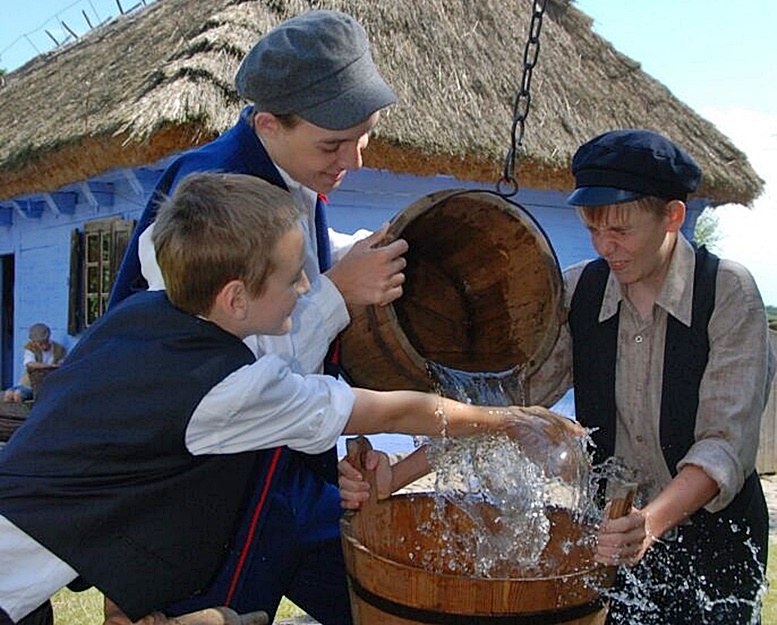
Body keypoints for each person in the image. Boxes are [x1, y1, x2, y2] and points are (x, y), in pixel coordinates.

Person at [0, 173, 546, 625]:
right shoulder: (231, 387)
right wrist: (506, 420)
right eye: (293, 279)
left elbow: (113, 470)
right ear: (236, 298)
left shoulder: (142, 313)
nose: (308, 289)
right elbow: (396, 410)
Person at [340, 129, 776, 625]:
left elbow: (723, 444)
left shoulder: (727, 294)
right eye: (592, 229)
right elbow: (503, 413)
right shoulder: (578, 292)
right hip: (611, 539)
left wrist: (648, 524)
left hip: (714, 544)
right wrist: (397, 474)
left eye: (621, 231)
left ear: (672, 217)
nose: (605, 246)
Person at [105, 10, 407, 624]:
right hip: (203, 493)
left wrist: (348, 257)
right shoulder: (206, 200)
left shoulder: (291, 173)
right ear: (268, 123)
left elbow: (295, 264)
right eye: (333, 143)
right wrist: (337, 295)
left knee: (390, 605)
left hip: (288, 476)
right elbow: (234, 375)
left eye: (365, 134)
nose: (354, 157)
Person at [2, 323, 66, 403]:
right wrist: (50, 366)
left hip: (44, 384)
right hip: (28, 382)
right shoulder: (30, 347)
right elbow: (31, 364)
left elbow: (61, 365)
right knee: (8, 394)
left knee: (18, 395)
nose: (44, 346)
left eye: (45, 342)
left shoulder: (59, 349)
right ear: (34, 342)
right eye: (40, 344)